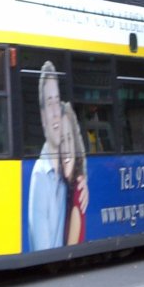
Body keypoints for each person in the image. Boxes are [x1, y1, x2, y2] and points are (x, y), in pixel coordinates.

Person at [27, 61, 67, 250]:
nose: (55, 112)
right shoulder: (41, 175)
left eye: (57, 102)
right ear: (42, 116)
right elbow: (42, 249)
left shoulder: (65, 174)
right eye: (49, 103)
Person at [61, 102, 89, 245]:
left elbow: (71, 248)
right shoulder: (68, 188)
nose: (65, 149)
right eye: (61, 141)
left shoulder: (78, 193)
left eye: (69, 139)